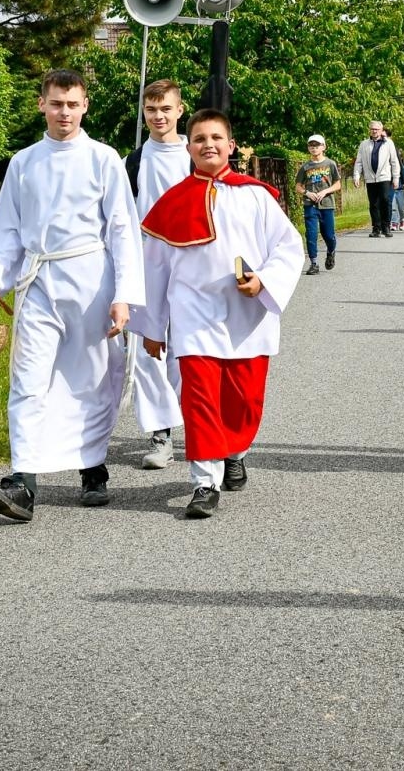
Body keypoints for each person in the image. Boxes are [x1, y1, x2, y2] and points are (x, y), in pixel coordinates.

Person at [0, 69, 144, 521]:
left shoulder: (103, 159)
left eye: (72, 104)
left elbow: (123, 231)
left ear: (84, 105)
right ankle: (23, 483)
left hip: (91, 279)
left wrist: (124, 294)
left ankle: (92, 468)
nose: (63, 112)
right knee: (29, 379)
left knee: (89, 377)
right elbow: (7, 228)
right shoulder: (23, 163)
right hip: (39, 280)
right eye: (55, 103)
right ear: (41, 105)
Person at [133, 109, 306, 519]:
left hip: (246, 316)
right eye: (198, 139)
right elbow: (153, 269)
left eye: (215, 137)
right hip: (193, 315)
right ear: (188, 148)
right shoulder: (172, 202)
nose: (207, 144)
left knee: (243, 400)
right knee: (200, 400)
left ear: (231, 145)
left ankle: (235, 451)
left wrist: (263, 281)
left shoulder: (256, 195)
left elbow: (288, 246)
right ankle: (204, 483)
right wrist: (152, 327)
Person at [120, 78, 192, 471]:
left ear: (179, 110)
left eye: (165, 109)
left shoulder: (195, 156)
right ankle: (160, 433)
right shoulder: (132, 162)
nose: (158, 116)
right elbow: (118, 218)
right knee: (149, 352)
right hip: (146, 267)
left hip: (189, 267)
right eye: (151, 110)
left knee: (185, 351)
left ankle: (188, 422)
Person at [295, 134, 341, 275]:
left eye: (317, 145)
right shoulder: (305, 167)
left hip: (326, 204)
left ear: (323, 147)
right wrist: (307, 193)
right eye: (311, 146)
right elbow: (298, 186)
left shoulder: (330, 164)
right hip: (310, 205)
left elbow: (337, 184)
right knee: (311, 234)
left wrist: (325, 191)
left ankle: (331, 251)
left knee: (328, 235)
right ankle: (314, 263)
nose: (314, 148)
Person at [351, 120, 401, 238]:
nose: (374, 131)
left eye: (377, 129)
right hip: (370, 178)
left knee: (385, 200)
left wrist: (396, 178)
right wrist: (356, 176)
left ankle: (386, 226)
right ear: (369, 130)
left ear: (381, 130)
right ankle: (376, 228)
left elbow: (394, 161)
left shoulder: (388, 143)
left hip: (384, 177)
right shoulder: (364, 144)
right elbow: (359, 162)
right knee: (373, 203)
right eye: (372, 129)